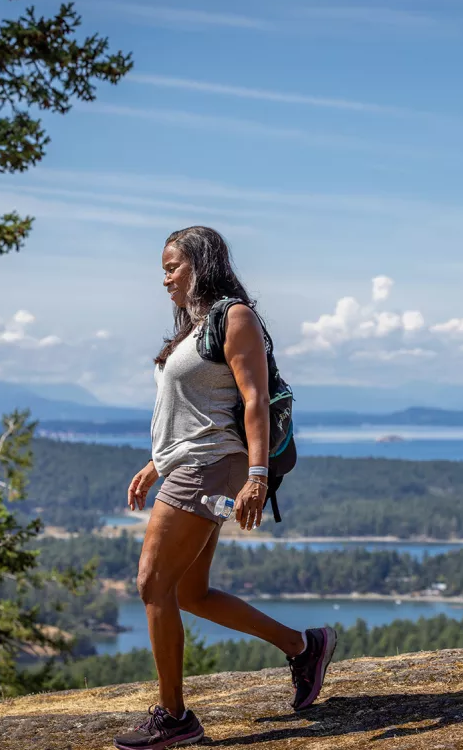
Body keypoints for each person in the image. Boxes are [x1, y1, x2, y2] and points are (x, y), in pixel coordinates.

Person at [113, 227, 336, 750]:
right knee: (188, 591)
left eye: (173, 266)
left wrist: (257, 476)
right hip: (187, 464)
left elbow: (254, 401)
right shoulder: (194, 329)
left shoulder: (234, 318)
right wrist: (155, 462)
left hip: (212, 467)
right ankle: (302, 647)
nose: (165, 277)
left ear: (200, 264)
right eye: (163, 268)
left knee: (151, 583)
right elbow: (192, 412)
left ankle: (174, 717)